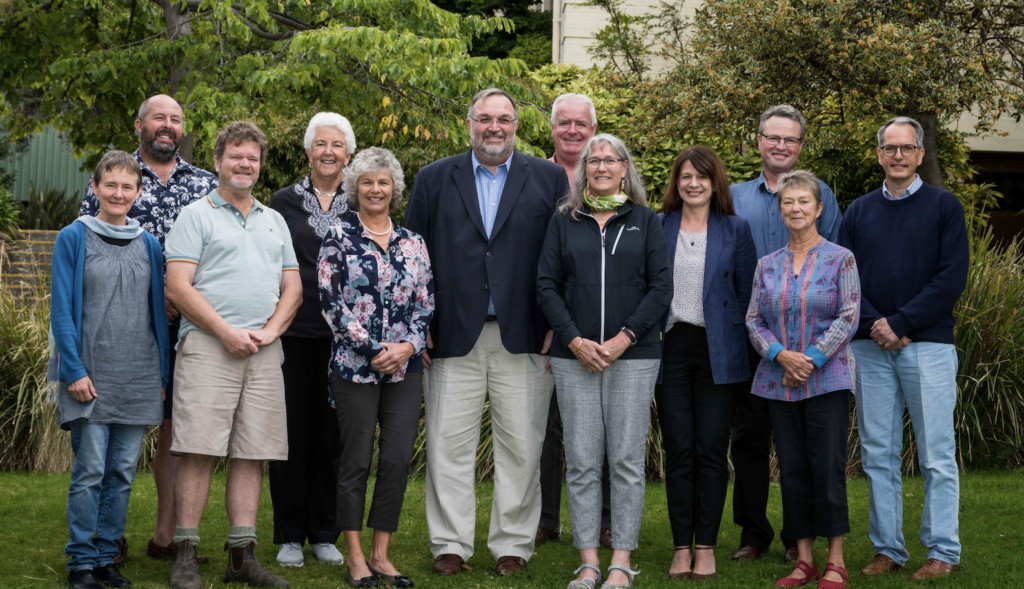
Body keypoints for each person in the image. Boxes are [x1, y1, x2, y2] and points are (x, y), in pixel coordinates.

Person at [404, 87, 569, 577]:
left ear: (517, 125)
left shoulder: (548, 177)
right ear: (469, 123)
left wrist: (555, 325)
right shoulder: (435, 178)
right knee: (447, 444)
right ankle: (450, 545)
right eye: (484, 119)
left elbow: (561, 257)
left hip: (525, 334)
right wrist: (421, 326)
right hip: (452, 333)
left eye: (503, 119)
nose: (494, 127)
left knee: (522, 445)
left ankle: (513, 545)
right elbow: (415, 257)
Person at [79, 94, 217, 567]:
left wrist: (188, 300)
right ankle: (104, 537)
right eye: (159, 117)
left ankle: (167, 535)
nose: (167, 125)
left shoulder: (206, 184)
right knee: (112, 439)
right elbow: (86, 248)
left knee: (179, 432)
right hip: (123, 330)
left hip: (189, 329)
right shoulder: (115, 178)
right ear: (139, 123)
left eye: (176, 119)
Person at [164, 121, 301, 589]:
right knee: (199, 449)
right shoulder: (195, 215)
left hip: (263, 351)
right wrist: (225, 332)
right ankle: (186, 553)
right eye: (236, 156)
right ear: (219, 160)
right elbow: (178, 286)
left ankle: (241, 557)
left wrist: (267, 333)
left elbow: (293, 288)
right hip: (207, 345)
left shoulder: (273, 218)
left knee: (252, 453)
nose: (245, 164)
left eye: (253, 158)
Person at [537, 134, 672, 589]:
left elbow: (660, 288)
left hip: (633, 357)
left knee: (628, 461)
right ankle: (589, 560)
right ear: (584, 171)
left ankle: (621, 562)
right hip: (575, 358)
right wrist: (575, 341)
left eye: (609, 160)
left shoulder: (646, 221)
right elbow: (546, 286)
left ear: (624, 168)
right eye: (593, 161)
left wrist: (622, 339)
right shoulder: (564, 221)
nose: (600, 167)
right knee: (580, 461)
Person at [838, 116, 969, 581]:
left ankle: (942, 552)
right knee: (877, 454)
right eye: (889, 148)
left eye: (906, 148)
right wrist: (880, 326)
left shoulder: (944, 207)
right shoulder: (858, 211)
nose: (897, 155)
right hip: (871, 348)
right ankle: (888, 549)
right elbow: (846, 278)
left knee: (936, 453)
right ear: (879, 154)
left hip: (928, 346)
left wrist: (904, 323)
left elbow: (951, 277)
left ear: (918, 155)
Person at [729, 104, 842, 564]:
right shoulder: (733, 195)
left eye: (790, 139)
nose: (780, 146)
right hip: (751, 335)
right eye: (772, 137)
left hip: (812, 346)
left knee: (808, 451)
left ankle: (806, 541)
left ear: (800, 145)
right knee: (750, 440)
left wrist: (809, 353)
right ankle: (753, 534)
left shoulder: (822, 193)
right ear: (758, 141)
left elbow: (833, 259)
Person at [53, 151, 170, 589]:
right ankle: (81, 561)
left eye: (128, 187)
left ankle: (106, 556)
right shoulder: (74, 237)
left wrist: (160, 376)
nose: (119, 194)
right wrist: (73, 370)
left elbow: (156, 315)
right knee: (89, 472)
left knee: (121, 473)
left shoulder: (149, 243)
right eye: (111, 185)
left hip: (138, 375)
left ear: (138, 193)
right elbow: (62, 311)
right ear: (95, 187)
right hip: (90, 375)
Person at [318, 147, 434, 589]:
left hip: (405, 369)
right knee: (355, 460)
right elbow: (332, 303)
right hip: (354, 368)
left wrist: (406, 346)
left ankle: (381, 555)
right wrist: (372, 349)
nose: (375, 189)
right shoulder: (338, 237)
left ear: (394, 189)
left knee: (397, 459)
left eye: (383, 182)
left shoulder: (413, 242)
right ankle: (354, 558)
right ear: (355, 187)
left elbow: (426, 303)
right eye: (367, 182)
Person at [746, 170, 860, 589]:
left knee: (826, 467)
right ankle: (804, 559)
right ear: (781, 210)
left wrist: (808, 360)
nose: (795, 208)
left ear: (818, 208)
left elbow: (849, 315)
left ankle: (836, 559)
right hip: (778, 382)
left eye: (803, 202)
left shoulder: (840, 258)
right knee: (792, 469)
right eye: (788, 202)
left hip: (827, 380)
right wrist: (780, 355)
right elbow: (754, 319)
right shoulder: (767, 265)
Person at [656, 146, 757, 581]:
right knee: (679, 450)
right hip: (670, 348)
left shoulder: (736, 229)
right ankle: (682, 547)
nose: (692, 183)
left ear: (715, 182)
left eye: (701, 176)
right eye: (685, 176)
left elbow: (751, 294)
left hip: (720, 350)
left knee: (711, 451)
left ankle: (708, 546)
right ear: (675, 183)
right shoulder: (657, 225)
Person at [267, 112, 355, 569]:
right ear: (307, 151)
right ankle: (288, 533)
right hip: (293, 333)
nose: (328, 152)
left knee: (332, 434)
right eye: (320, 144)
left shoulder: (361, 201)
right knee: (290, 433)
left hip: (345, 340)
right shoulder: (283, 202)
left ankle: (324, 532)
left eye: (337, 145)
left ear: (348, 154)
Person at [537, 92, 613, 550]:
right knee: (547, 429)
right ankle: (546, 519)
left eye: (581, 124)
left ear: (592, 128)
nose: (572, 130)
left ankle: (604, 521)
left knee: (601, 429)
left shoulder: (608, 180)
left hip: (602, 329)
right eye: (563, 123)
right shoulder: (533, 178)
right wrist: (549, 324)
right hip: (547, 327)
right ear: (552, 128)